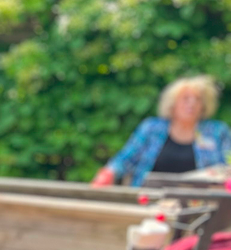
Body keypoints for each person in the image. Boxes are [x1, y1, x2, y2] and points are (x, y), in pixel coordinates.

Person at [92, 76, 231, 187]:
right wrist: (108, 173)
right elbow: (126, 158)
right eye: (185, 98)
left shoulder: (217, 131)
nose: (192, 103)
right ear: (172, 104)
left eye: (198, 99)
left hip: (200, 204)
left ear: (204, 106)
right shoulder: (152, 128)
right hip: (149, 199)